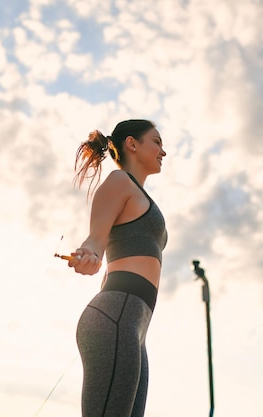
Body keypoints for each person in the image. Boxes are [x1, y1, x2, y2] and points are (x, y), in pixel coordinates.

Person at [67, 119, 168, 417]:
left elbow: (117, 255)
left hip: (134, 325)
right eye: (157, 142)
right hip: (116, 318)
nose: (164, 151)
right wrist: (88, 254)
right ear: (132, 144)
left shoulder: (139, 194)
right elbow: (96, 239)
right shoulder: (119, 181)